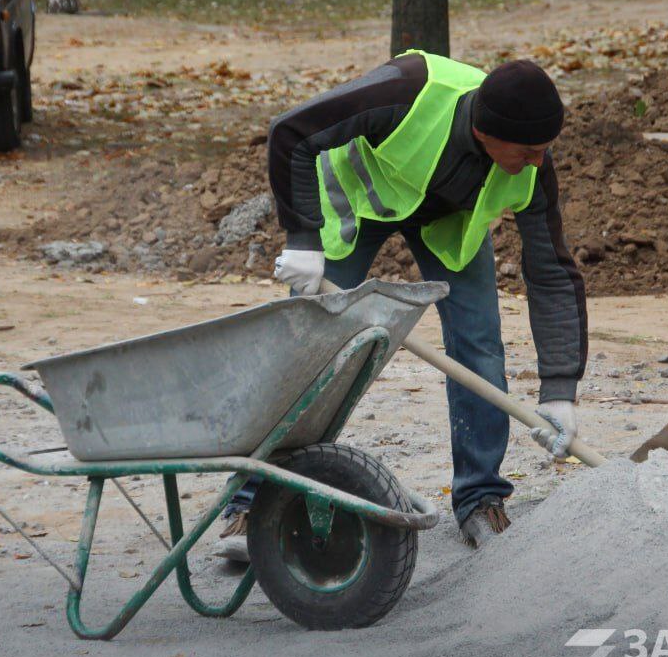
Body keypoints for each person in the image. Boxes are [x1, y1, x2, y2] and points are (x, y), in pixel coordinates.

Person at [215, 49, 587, 558]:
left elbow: (551, 272)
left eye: (545, 149)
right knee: (310, 346)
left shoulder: (530, 159)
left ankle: (481, 499)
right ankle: (253, 500)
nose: (539, 161)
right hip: (360, 202)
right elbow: (290, 132)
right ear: (486, 131)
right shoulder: (406, 91)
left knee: (479, 347)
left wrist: (560, 387)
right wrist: (302, 238)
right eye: (528, 151)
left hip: (446, 220)